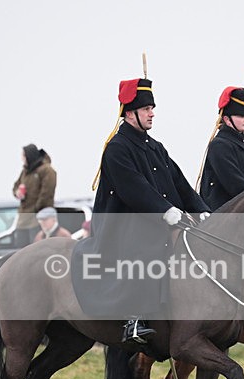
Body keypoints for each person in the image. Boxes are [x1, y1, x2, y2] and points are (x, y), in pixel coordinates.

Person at [72, 77, 210, 344]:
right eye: (146, 109)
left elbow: (180, 183)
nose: (152, 113)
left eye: (152, 108)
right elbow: (134, 189)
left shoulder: (155, 147)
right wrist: (166, 210)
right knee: (146, 249)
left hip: (154, 219)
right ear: (129, 112)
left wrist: (201, 209)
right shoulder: (117, 148)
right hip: (124, 224)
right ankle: (133, 320)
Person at [12, 144, 57, 247]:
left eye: (24, 155)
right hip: (24, 216)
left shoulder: (47, 170)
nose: (22, 158)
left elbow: (47, 193)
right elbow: (16, 186)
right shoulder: (25, 171)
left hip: (39, 217)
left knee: (37, 246)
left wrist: (37, 208)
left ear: (29, 155)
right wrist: (17, 192)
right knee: (21, 247)